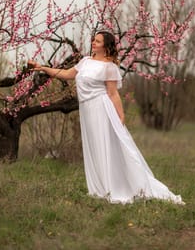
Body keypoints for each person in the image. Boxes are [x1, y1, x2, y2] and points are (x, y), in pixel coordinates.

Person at [28, 31, 184, 205]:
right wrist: (43, 68)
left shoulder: (109, 66)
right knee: (94, 147)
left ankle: (115, 187)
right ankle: (99, 188)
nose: (93, 43)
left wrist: (121, 116)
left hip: (101, 109)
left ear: (106, 45)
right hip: (87, 110)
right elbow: (65, 74)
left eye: (98, 41)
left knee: (106, 146)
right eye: (93, 40)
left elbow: (113, 93)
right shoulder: (85, 61)